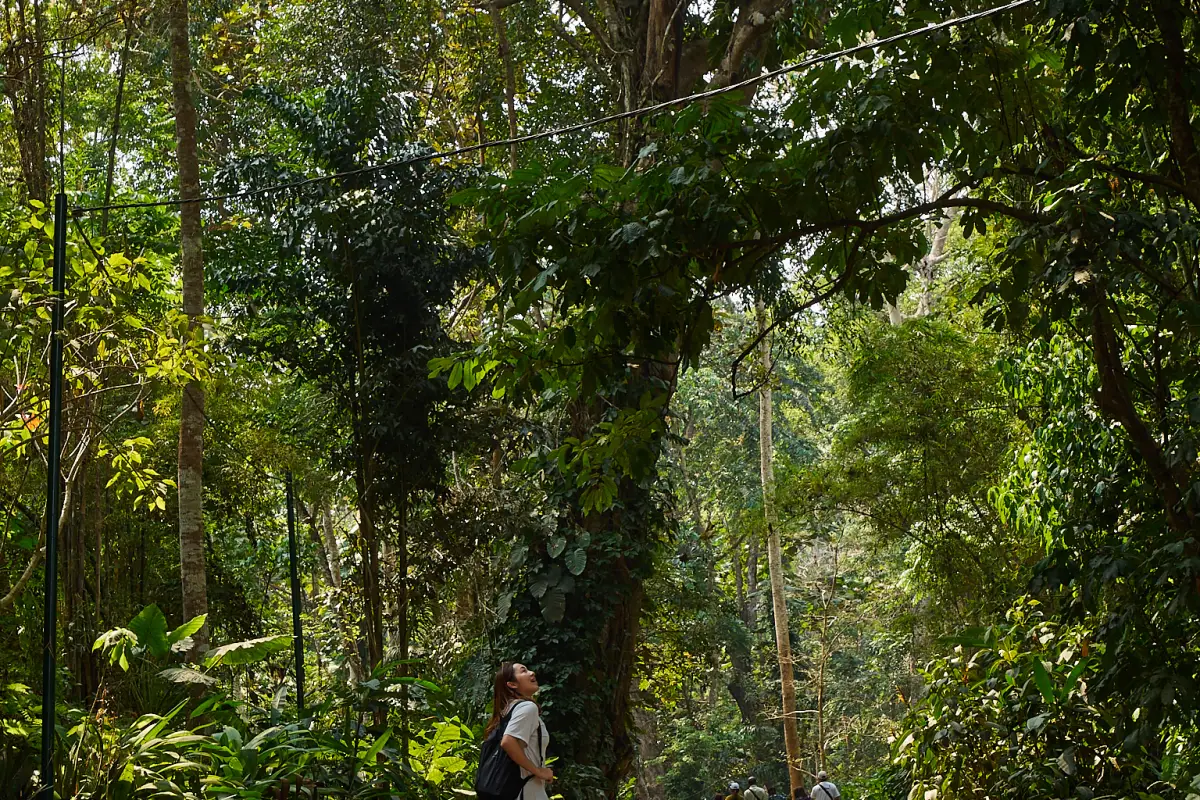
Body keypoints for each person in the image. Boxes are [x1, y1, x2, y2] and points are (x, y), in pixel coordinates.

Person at [487, 661, 552, 800]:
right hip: (526, 792)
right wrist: (539, 772)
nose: (531, 673)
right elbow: (508, 742)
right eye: (523, 671)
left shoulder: (507, 712)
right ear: (512, 684)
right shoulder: (527, 708)